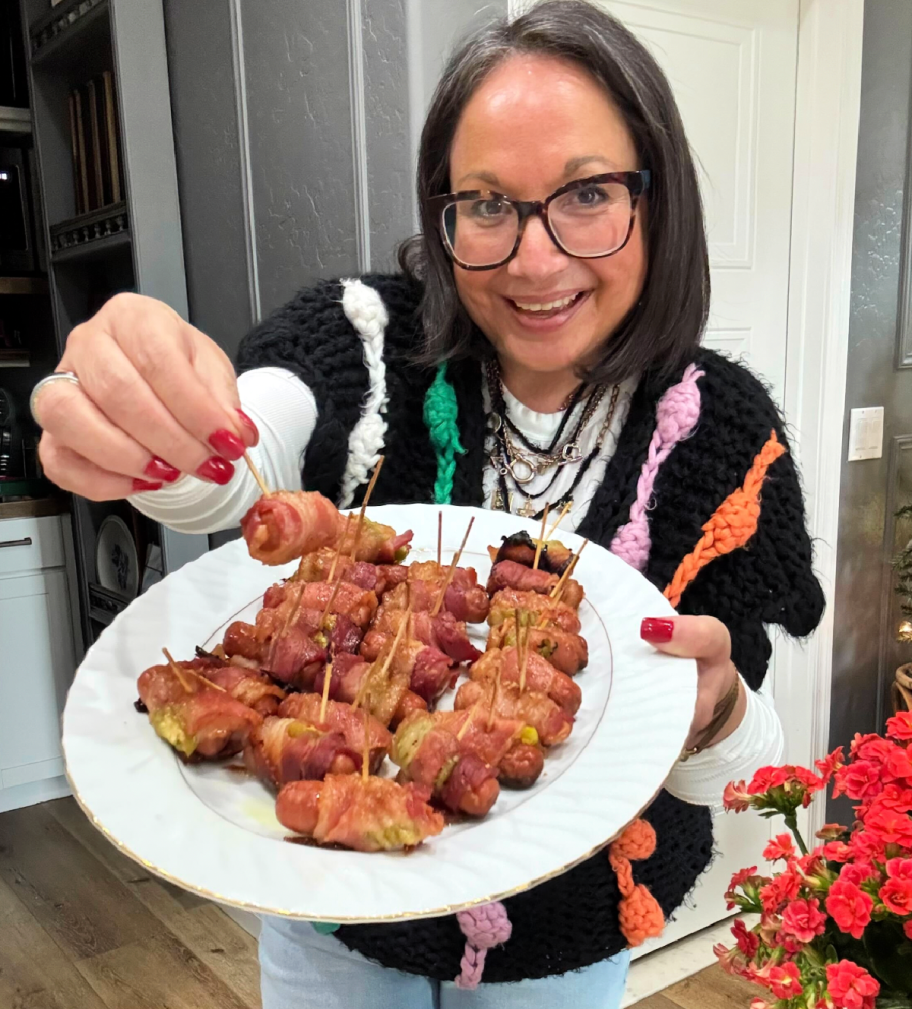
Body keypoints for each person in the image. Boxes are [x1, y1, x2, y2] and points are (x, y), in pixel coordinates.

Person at [29, 2, 825, 1006]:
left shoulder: (723, 437)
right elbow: (241, 456)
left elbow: (745, 763)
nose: (534, 261)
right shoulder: (366, 340)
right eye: (486, 203)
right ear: (442, 212)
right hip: (333, 925)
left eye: (587, 193)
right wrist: (165, 433)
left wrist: (716, 716)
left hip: (566, 950)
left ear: (657, 199)